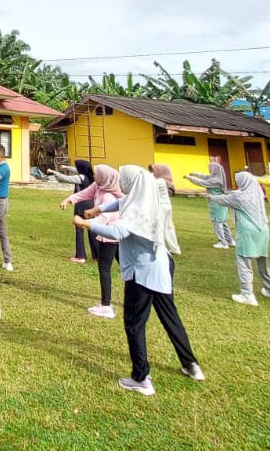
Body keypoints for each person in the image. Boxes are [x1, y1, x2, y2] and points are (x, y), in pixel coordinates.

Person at [75, 164, 203, 395]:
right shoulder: (147, 198)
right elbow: (121, 203)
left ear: (132, 183)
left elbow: (118, 232)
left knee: (134, 324)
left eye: (123, 180)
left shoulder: (137, 211)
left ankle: (141, 378)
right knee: (170, 317)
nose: (120, 184)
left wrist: (87, 224)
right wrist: (99, 209)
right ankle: (191, 364)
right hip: (161, 266)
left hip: (142, 273)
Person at [208, 171, 270, 305]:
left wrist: (210, 196)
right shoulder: (258, 193)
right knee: (263, 261)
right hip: (263, 230)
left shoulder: (239, 196)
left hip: (247, 231)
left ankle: (247, 293)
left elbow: (223, 200)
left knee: (244, 262)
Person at [60, 165, 123, 317]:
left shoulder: (109, 196)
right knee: (127, 268)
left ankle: (106, 306)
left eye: (96, 175)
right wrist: (69, 199)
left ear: (104, 178)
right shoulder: (99, 185)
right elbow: (85, 193)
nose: (93, 177)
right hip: (111, 235)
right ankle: (140, 294)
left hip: (110, 235)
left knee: (104, 269)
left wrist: (83, 222)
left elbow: (103, 219)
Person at [185, 161, 234, 248]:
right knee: (223, 222)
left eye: (210, 168)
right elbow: (205, 177)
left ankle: (223, 242)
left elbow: (202, 183)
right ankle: (230, 240)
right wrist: (194, 174)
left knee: (217, 222)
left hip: (216, 204)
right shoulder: (218, 178)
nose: (209, 170)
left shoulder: (215, 181)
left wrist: (189, 178)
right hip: (222, 203)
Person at [67, 159, 95, 263]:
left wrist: (53, 172)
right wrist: (66, 168)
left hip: (81, 205)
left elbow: (66, 178)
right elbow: (74, 170)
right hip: (91, 204)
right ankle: (96, 255)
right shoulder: (90, 177)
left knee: (79, 229)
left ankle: (80, 256)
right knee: (92, 229)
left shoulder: (80, 178)